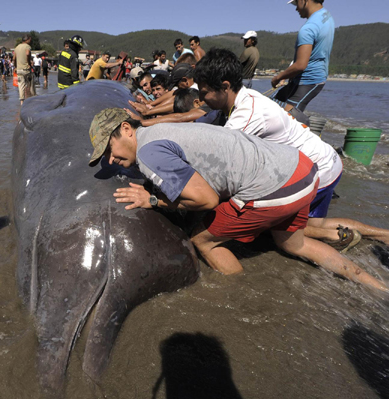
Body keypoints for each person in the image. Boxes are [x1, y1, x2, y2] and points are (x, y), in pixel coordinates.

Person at [86, 108, 388, 293]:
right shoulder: (162, 131)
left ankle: (238, 292)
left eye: (110, 150)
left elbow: (206, 199)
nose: (112, 160)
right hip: (304, 171)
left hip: (273, 189)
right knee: (292, 243)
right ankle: (377, 287)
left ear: (127, 128)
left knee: (202, 241)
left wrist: (153, 200)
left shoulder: (148, 152)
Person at [194, 47, 389, 249]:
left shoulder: (245, 116)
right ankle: (380, 235)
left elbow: (220, 165)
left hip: (317, 171)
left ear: (225, 86)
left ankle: (335, 237)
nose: (201, 98)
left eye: (204, 92)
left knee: (271, 226)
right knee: (314, 224)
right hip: (326, 161)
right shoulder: (245, 97)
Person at [271, 0, 334, 111]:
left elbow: (300, 65)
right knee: (272, 105)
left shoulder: (308, 29)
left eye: (296, 4)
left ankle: (304, 126)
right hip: (307, 78)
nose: (296, 8)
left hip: (309, 81)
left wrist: (278, 77)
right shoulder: (326, 15)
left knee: (288, 117)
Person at [13, 33, 35, 104]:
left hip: (19, 70)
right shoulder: (27, 46)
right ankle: (33, 99)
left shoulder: (17, 47)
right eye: (30, 40)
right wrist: (29, 63)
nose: (30, 41)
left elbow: (14, 58)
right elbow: (27, 53)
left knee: (21, 86)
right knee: (30, 85)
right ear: (27, 40)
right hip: (26, 69)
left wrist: (15, 66)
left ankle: (22, 103)